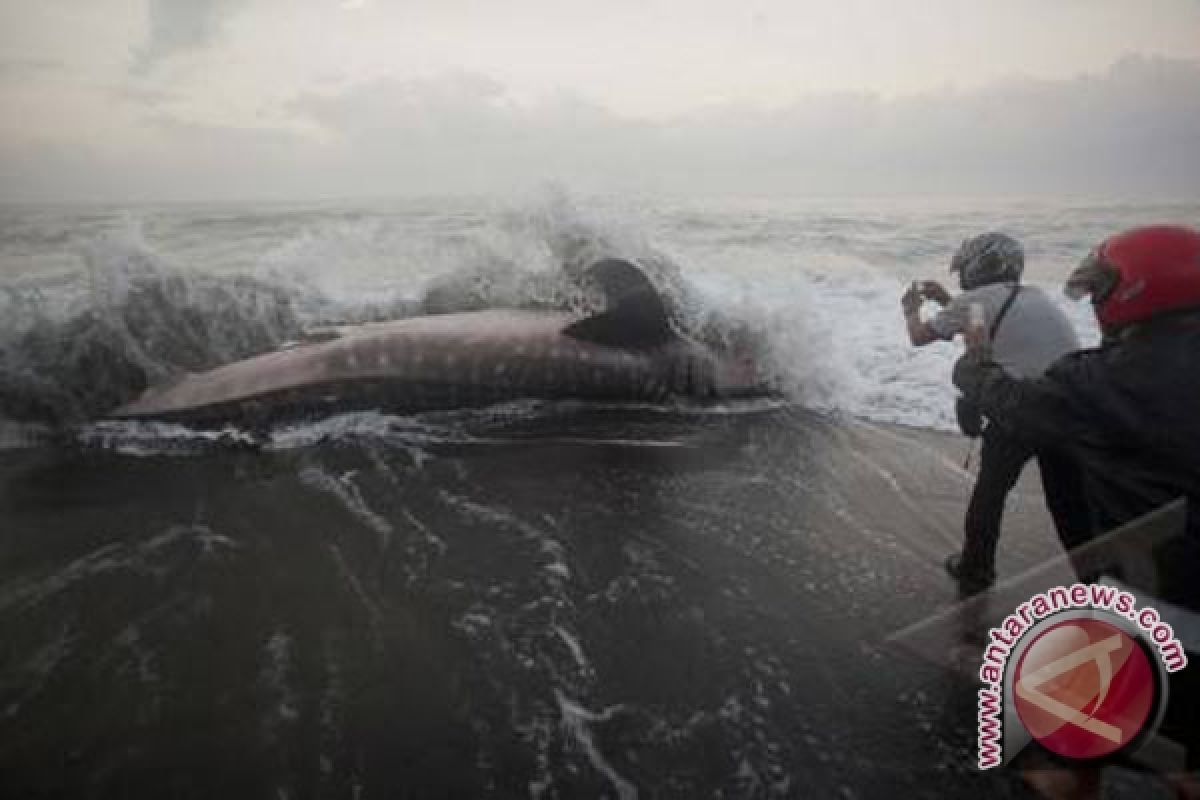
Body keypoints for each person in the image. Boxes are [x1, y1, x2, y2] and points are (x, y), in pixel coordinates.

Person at [952, 223, 1200, 784]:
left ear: (1132, 294)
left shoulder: (1105, 382)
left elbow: (1015, 402)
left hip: (1163, 619)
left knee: (1048, 754)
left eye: (1101, 293)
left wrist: (973, 374)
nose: (1095, 307)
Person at [901, 232, 1085, 595]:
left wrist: (910, 309)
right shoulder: (1036, 296)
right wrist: (947, 301)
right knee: (1069, 505)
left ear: (976, 265)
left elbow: (920, 336)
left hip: (1021, 411)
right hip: (1069, 406)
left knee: (991, 492)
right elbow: (983, 320)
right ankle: (1099, 578)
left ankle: (976, 568)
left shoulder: (976, 300)